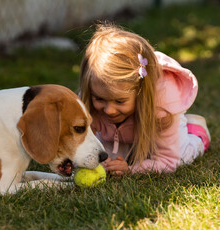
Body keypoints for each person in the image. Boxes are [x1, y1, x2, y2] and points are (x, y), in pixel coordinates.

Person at [79, 24, 211, 175]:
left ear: (140, 93)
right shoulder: (89, 98)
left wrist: (130, 170)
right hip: (120, 134)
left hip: (157, 127)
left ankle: (196, 132)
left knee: (182, 157)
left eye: (119, 101)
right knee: (112, 159)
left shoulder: (163, 108)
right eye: (100, 99)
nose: (109, 110)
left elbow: (168, 160)